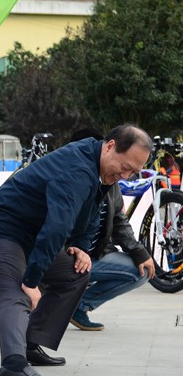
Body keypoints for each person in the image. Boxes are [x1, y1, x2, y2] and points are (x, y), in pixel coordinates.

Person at [0, 124, 152, 376]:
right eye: (125, 167)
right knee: (17, 291)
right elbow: (57, 228)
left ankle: (30, 344)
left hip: (30, 236)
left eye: (133, 172)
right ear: (110, 146)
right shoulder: (77, 170)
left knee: (74, 272)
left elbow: (91, 212)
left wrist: (80, 247)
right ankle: (12, 366)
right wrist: (32, 281)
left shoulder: (98, 167)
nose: (125, 176)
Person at [64, 129, 156, 331]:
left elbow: (119, 219)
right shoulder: (71, 177)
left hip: (95, 255)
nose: (125, 176)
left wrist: (139, 252)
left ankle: (78, 307)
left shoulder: (112, 179)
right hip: (64, 257)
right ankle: (49, 303)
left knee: (142, 270)